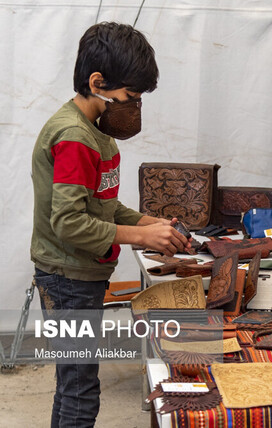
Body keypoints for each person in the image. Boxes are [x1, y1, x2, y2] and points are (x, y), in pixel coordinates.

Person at [30, 22, 189, 427]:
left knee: (73, 385)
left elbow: (101, 206)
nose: (133, 106)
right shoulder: (75, 138)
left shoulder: (97, 135)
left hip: (80, 277)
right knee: (81, 393)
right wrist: (140, 236)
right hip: (68, 280)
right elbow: (69, 223)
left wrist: (146, 221)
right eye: (130, 97)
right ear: (97, 82)